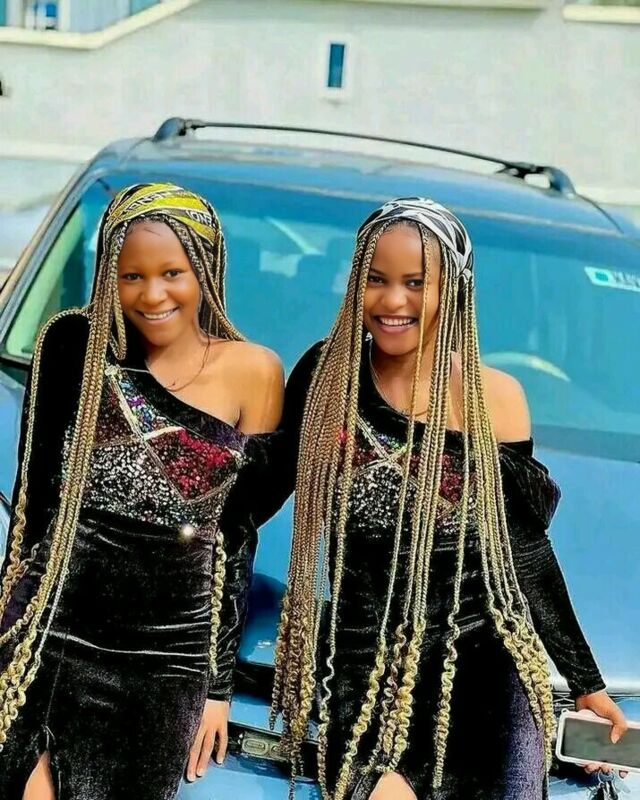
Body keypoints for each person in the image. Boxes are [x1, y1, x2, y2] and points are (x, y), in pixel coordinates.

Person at [269, 198, 626, 800]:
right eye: (376, 279)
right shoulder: (326, 377)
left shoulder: (493, 398)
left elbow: (524, 550)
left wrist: (585, 683)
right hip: (366, 665)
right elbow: (253, 498)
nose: (393, 301)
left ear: (454, 291)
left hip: (482, 667)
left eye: (416, 283)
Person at [0, 182, 283, 799]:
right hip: (54, 634)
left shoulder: (255, 372)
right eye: (131, 276)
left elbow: (235, 538)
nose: (152, 295)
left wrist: (216, 687)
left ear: (205, 268)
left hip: (163, 662)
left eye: (172, 273)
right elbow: (34, 509)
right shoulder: (74, 350)